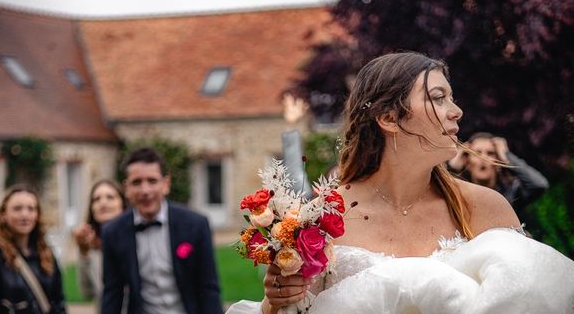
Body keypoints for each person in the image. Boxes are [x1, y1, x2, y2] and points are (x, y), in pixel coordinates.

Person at [227, 52, 574, 314]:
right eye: (438, 98)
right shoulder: (322, 219)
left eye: (451, 98)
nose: (457, 111)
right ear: (389, 118)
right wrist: (275, 303)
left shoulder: (485, 207)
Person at [101, 147, 223, 314]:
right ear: (126, 188)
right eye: (136, 182)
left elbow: (209, 287)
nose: (145, 191)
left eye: (152, 181)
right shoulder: (113, 232)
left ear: (166, 184)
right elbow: (112, 293)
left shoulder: (196, 225)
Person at [0, 185, 67, 314]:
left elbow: (58, 302)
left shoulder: (46, 253)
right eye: (17, 208)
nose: (25, 214)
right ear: (3, 214)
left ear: (37, 215)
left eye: (31, 209)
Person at [448, 132, 549, 216]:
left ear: (498, 161)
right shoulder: (458, 192)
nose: (483, 158)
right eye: (477, 153)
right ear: (467, 161)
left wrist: (506, 156)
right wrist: (452, 168)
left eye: (490, 153)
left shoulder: (512, 192)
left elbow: (539, 185)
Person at [72, 179, 127, 312]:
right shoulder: (94, 248)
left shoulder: (135, 240)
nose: (103, 202)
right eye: (96, 199)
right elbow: (87, 292)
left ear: (123, 204)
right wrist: (84, 252)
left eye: (110, 197)